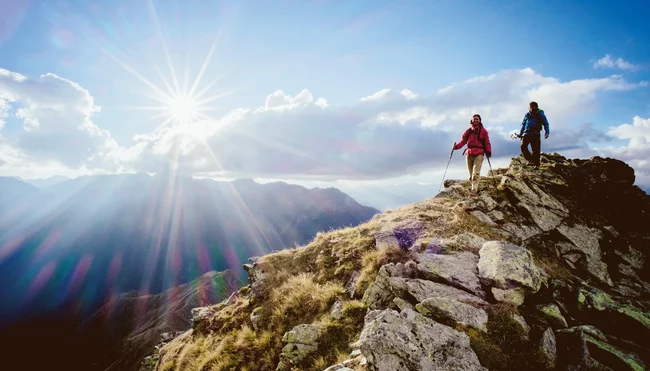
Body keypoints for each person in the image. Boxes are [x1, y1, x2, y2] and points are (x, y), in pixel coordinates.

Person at [452, 114, 492, 194]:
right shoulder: (468, 131)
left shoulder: (484, 131)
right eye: (474, 119)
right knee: (471, 175)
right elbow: (463, 141)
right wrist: (456, 147)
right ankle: (475, 188)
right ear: (472, 120)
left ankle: (474, 190)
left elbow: (487, 143)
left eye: (477, 119)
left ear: (480, 120)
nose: (475, 120)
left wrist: (488, 151)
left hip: (479, 153)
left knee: (475, 173)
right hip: (469, 154)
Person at [519, 101, 550, 168]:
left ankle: (536, 164)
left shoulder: (540, 114)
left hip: (536, 133)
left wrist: (547, 132)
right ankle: (530, 160)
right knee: (523, 147)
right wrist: (520, 133)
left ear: (536, 107)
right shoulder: (527, 115)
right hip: (527, 133)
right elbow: (523, 124)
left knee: (536, 149)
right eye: (530, 107)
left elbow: (546, 123)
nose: (531, 109)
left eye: (532, 107)